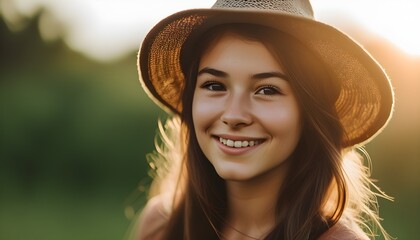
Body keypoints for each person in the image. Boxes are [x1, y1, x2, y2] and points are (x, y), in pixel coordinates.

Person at [134, 0, 394, 239]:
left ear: (309, 113)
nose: (234, 115)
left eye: (267, 90)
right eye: (214, 85)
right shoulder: (161, 225)